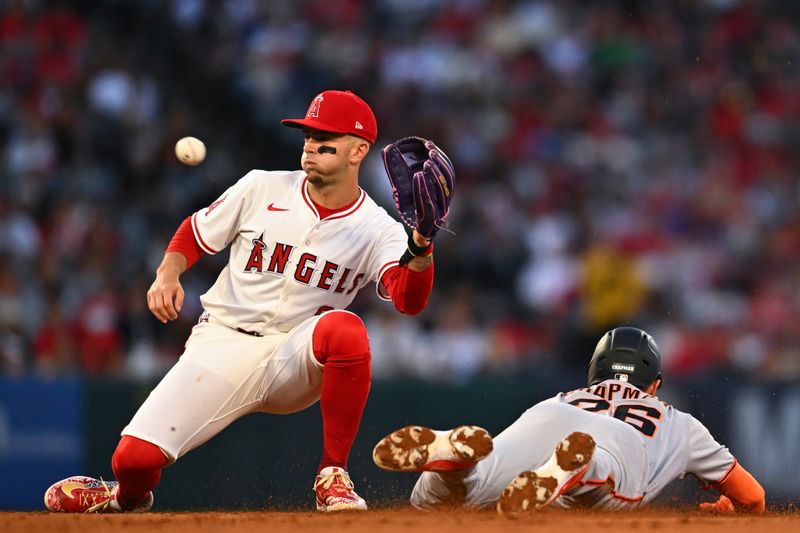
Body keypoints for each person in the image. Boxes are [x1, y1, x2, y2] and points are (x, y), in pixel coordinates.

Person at [44, 89, 451, 513]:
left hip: (295, 355)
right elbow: (196, 231)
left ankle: (333, 474)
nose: (310, 146)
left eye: (323, 137)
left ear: (358, 151)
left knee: (346, 329)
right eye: (307, 135)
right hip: (223, 342)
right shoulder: (261, 186)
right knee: (133, 460)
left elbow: (409, 300)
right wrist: (168, 272)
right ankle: (122, 497)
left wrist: (421, 246)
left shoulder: (376, 228)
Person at [373, 326, 766, 515]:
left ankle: (455, 463)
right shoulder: (679, 422)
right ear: (656, 385)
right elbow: (753, 498)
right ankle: (577, 468)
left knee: (445, 498)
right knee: (603, 473)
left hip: (549, 418)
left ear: (593, 374)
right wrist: (732, 510)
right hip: (616, 444)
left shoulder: (565, 395)